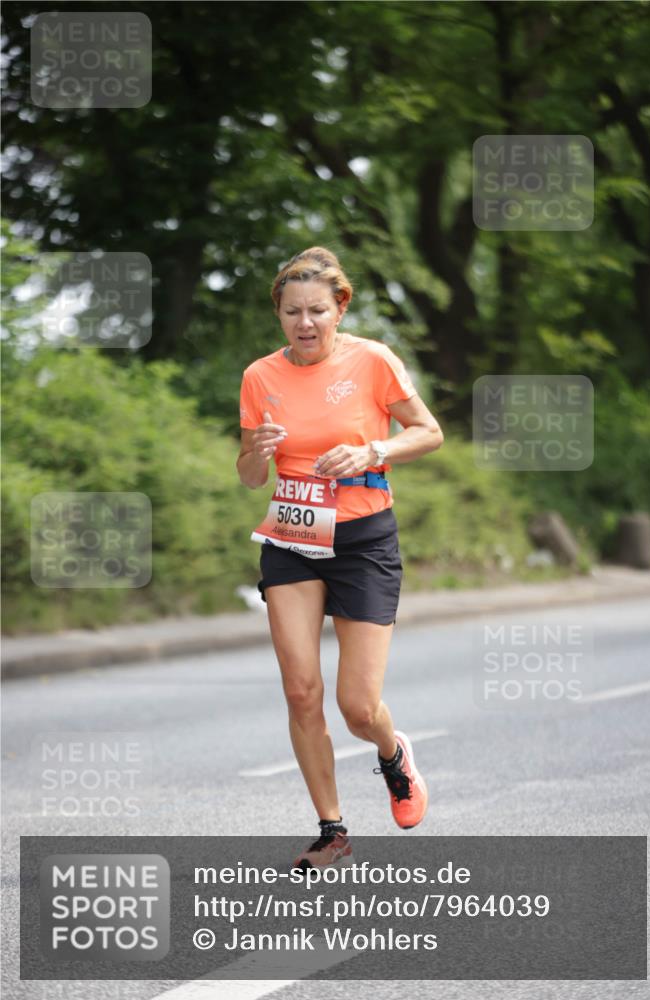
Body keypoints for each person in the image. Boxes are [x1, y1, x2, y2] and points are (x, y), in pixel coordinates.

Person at [236, 247, 444, 869]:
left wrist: (373, 450)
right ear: (278, 313)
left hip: (363, 540)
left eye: (318, 311)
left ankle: (392, 753)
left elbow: (428, 431)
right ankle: (332, 830)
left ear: (340, 307)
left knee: (357, 707)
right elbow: (249, 476)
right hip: (294, 535)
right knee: (301, 692)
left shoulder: (373, 360)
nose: (305, 324)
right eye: (293, 312)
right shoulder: (259, 377)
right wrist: (259, 453)